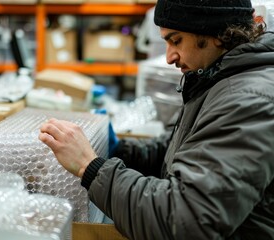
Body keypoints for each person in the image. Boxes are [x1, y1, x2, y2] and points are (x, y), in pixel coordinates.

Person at [39, 0, 274, 239]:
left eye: (176, 40)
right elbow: (185, 155)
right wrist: (123, 150)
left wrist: (89, 168)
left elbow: (185, 220)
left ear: (216, 33)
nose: (170, 57)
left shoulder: (247, 100)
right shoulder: (219, 79)